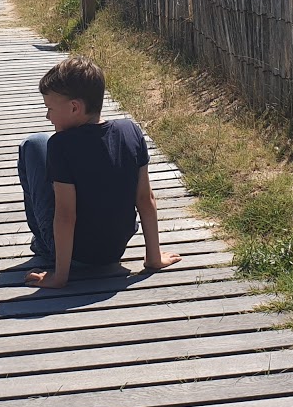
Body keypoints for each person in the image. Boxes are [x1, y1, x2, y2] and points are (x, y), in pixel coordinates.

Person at [17, 56, 181, 289]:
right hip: (114, 249)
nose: (47, 116)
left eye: (50, 109)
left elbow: (66, 215)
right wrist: (154, 259)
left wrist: (59, 277)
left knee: (33, 145)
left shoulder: (61, 145)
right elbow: (146, 199)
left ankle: (44, 246)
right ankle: (150, 255)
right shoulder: (130, 131)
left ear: (74, 107)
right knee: (42, 142)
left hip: (77, 256)